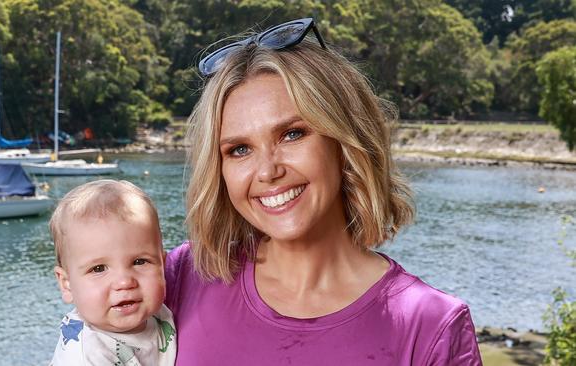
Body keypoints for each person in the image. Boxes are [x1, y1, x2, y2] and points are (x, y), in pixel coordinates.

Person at [165, 18, 482, 365]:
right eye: (239, 150)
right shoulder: (182, 277)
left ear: (343, 140)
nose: (268, 171)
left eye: (292, 134)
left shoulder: (430, 327)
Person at [49, 179, 176, 366]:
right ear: (66, 284)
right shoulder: (86, 357)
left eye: (139, 262)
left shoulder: (158, 312)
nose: (124, 282)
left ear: (162, 267)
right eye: (98, 269)